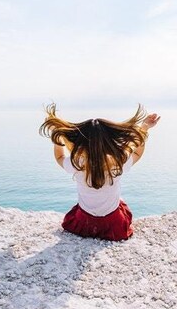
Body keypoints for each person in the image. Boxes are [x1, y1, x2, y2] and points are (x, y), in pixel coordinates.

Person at [39, 103, 160, 241]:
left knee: (80, 209)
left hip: (84, 223)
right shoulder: (117, 162)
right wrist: (144, 127)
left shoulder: (78, 163)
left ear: (81, 142)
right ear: (110, 141)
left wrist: (58, 138)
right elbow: (137, 153)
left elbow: (60, 157)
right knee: (121, 204)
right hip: (113, 224)